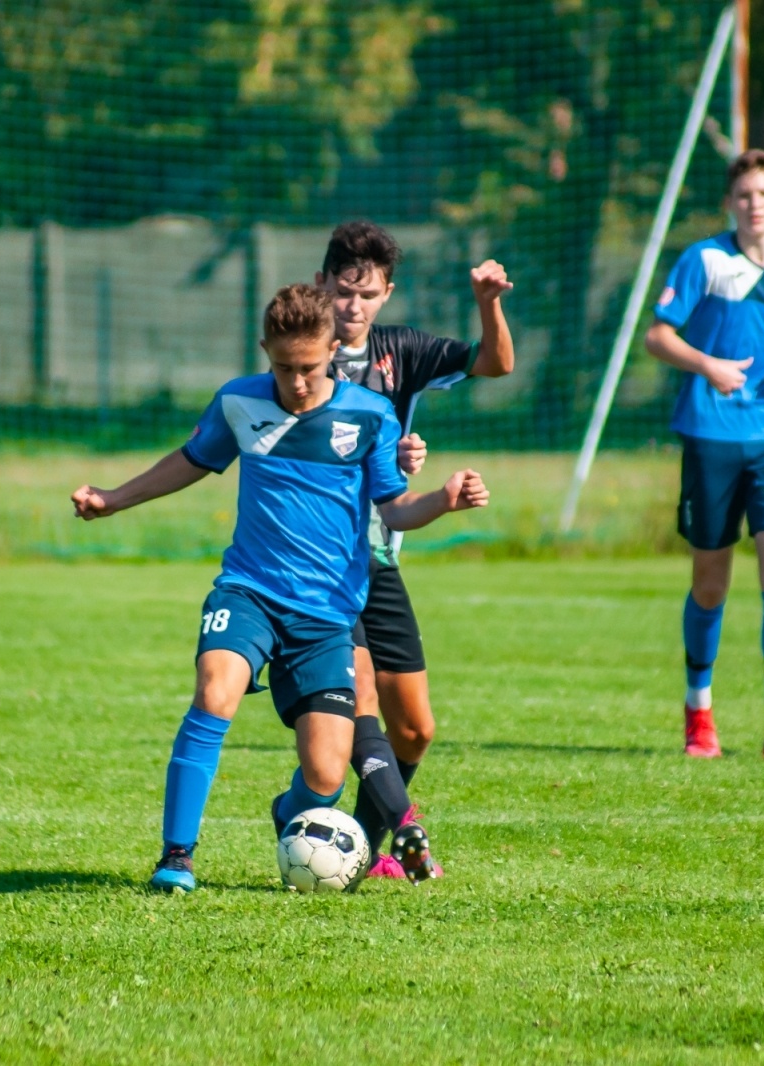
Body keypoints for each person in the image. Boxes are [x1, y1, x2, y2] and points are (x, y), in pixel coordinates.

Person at [71, 284, 490, 892]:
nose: (296, 383)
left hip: (327, 616)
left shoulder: (370, 415)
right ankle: (176, 858)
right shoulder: (239, 402)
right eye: (283, 368)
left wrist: (443, 502)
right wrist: (113, 499)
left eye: (310, 369)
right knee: (216, 691)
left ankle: (286, 813)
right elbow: (190, 460)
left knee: (323, 775)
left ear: (334, 352)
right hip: (250, 591)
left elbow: (393, 510)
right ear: (265, 350)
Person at [314, 221, 515, 876]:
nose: (353, 307)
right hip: (318, 561)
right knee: (361, 692)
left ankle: (366, 846)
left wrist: (489, 303)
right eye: (344, 291)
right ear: (323, 285)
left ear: (386, 295)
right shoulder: (302, 354)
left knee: (417, 729)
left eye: (367, 295)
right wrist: (383, 455)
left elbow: (496, 364)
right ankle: (402, 831)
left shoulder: (399, 351)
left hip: (380, 557)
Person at [642, 149, 764, 759]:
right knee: (711, 584)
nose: (755, 205)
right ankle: (699, 711)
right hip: (712, 435)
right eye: (744, 195)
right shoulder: (705, 259)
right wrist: (708, 364)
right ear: (731, 203)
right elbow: (658, 334)